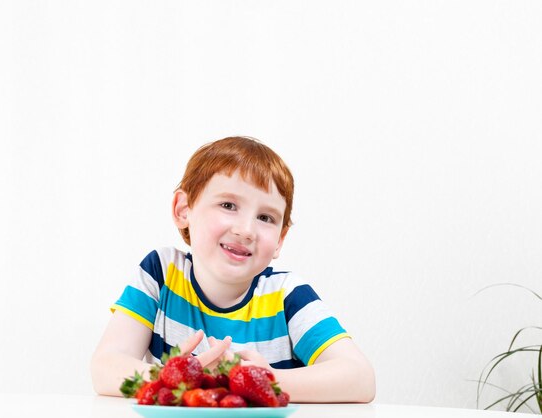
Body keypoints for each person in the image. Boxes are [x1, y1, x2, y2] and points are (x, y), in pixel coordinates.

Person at [91, 136, 375, 402]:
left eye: (265, 217)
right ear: (183, 209)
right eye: (228, 205)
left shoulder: (288, 295)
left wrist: (264, 380)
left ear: (280, 239)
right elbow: (105, 368)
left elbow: (361, 379)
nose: (246, 229)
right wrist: (181, 379)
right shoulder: (161, 272)